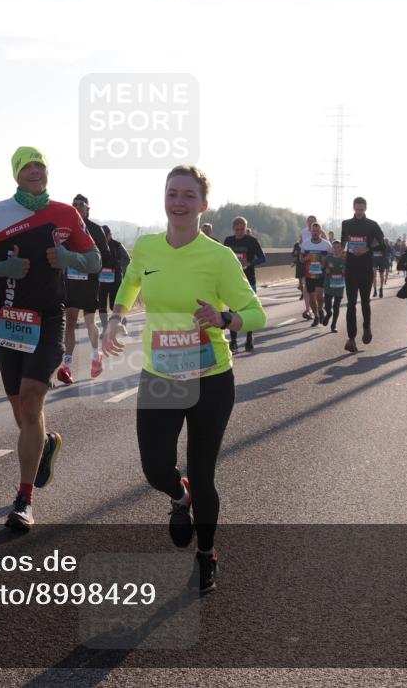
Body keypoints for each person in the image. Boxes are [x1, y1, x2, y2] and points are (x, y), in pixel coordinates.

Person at [102, 165, 266, 594]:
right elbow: (131, 282)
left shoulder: (219, 257)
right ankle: (179, 497)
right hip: (161, 375)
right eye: (172, 193)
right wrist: (116, 318)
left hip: (211, 378)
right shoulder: (148, 247)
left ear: (203, 204)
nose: (178, 202)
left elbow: (257, 314)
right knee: (156, 468)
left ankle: (207, 553)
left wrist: (225, 317)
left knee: (203, 470)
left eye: (188, 196)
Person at [0, 147, 100, 531]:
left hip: (49, 319)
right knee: (23, 413)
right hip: (7, 321)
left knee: (34, 396)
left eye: (40, 166)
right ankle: (46, 444)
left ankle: (24, 500)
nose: (35, 172)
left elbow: (95, 261)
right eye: (27, 167)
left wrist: (68, 258)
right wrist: (2, 267)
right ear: (17, 174)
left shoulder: (65, 214)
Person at [59, 194, 111, 383]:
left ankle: (96, 357)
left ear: (88, 208)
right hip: (71, 281)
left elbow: (104, 256)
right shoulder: (65, 228)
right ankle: (66, 366)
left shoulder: (96, 229)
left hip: (89, 282)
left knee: (90, 322)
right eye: (74, 204)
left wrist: (86, 261)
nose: (77, 207)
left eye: (81, 205)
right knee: (70, 321)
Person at [340, 197, 384, 353]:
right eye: (357, 209)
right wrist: (343, 251)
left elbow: (382, 244)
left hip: (365, 268)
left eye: (361, 209)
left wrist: (367, 249)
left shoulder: (372, 225)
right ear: (353, 208)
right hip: (351, 268)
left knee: (365, 302)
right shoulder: (346, 224)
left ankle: (367, 327)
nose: (359, 212)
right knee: (351, 304)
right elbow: (343, 241)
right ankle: (351, 338)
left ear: (365, 208)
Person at [223, 216, 265, 352]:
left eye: (242, 229)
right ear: (233, 229)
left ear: (246, 228)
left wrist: (249, 263)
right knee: (233, 310)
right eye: (237, 230)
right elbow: (222, 258)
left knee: (249, 310)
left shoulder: (252, 241)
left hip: (249, 280)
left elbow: (263, 258)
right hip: (233, 280)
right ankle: (233, 341)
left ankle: (249, 338)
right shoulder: (228, 241)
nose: (240, 232)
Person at [97, 225, 130, 332]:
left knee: (114, 305)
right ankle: (105, 328)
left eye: (105, 236)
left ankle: (122, 321)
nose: (103, 239)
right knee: (101, 305)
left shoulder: (117, 245)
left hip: (115, 279)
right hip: (101, 280)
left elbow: (127, 259)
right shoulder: (97, 245)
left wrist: (116, 264)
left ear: (109, 235)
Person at [300, 222, 332, 327]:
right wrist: (307, 258)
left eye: (317, 231)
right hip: (309, 275)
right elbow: (301, 259)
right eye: (313, 231)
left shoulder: (327, 245)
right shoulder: (305, 244)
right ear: (311, 232)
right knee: (312, 298)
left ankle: (320, 309)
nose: (315, 233)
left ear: (320, 232)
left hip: (321, 274)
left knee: (319, 295)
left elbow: (332, 260)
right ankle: (316, 316)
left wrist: (326, 262)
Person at [323, 240, 346, 332]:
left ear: (341, 248)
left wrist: (345, 271)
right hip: (329, 284)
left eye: (338, 247)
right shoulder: (328, 258)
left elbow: (348, 271)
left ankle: (333, 325)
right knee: (327, 306)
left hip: (339, 285)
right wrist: (326, 270)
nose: (336, 249)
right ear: (332, 248)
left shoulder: (344, 259)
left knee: (336, 306)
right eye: (334, 247)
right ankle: (328, 314)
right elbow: (323, 267)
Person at [292, 232, 308, 309]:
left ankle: (305, 293)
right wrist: (295, 253)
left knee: (305, 281)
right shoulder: (296, 245)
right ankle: (302, 292)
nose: (301, 238)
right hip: (299, 265)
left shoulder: (306, 244)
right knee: (300, 283)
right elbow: (293, 254)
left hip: (305, 264)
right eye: (300, 237)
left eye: (302, 237)